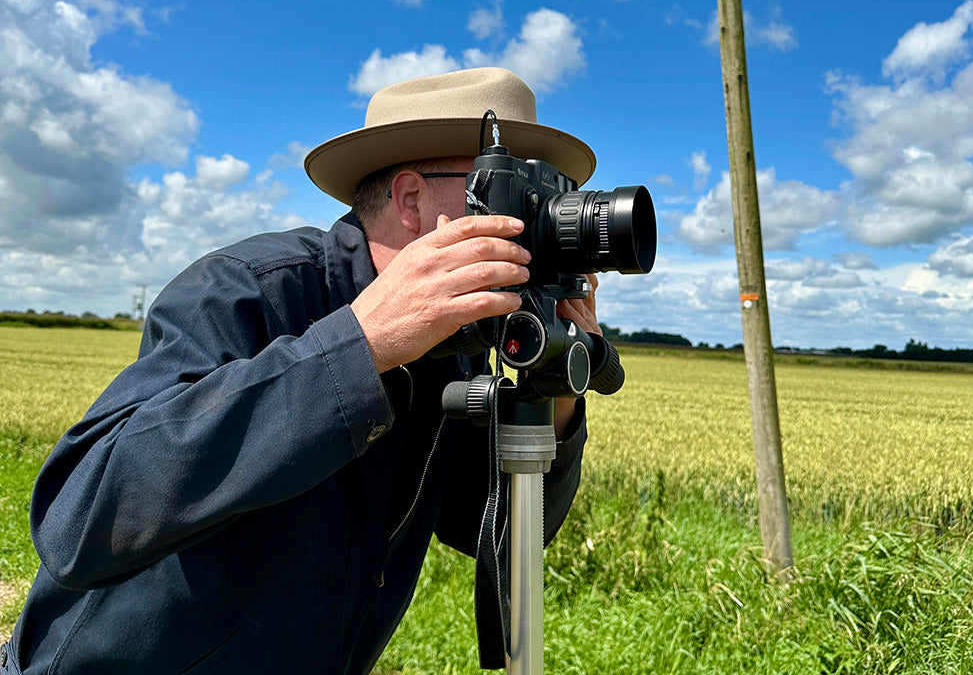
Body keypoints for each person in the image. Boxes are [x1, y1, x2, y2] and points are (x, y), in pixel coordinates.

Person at [3, 67, 601, 675]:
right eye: (512, 189)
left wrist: (554, 400)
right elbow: (77, 519)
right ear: (413, 201)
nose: (536, 219)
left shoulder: (460, 342)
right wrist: (360, 347)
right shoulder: (246, 290)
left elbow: (481, 525)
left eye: (547, 193)